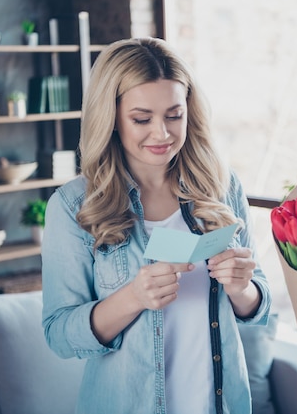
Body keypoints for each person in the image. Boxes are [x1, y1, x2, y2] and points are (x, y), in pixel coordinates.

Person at [41, 37, 272, 414]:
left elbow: (259, 306)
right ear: (111, 116)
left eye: (174, 115)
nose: (162, 133)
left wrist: (243, 288)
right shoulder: (73, 206)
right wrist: (133, 298)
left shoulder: (221, 186)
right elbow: (59, 335)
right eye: (142, 118)